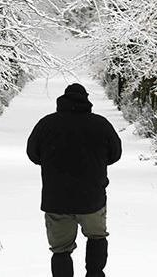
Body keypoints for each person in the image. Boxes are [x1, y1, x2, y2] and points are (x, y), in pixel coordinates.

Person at [27, 83, 122, 277]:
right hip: (92, 197)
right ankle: (95, 274)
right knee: (97, 237)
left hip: (56, 199)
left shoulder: (47, 124)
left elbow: (32, 153)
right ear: (86, 100)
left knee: (60, 249)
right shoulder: (100, 124)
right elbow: (116, 154)